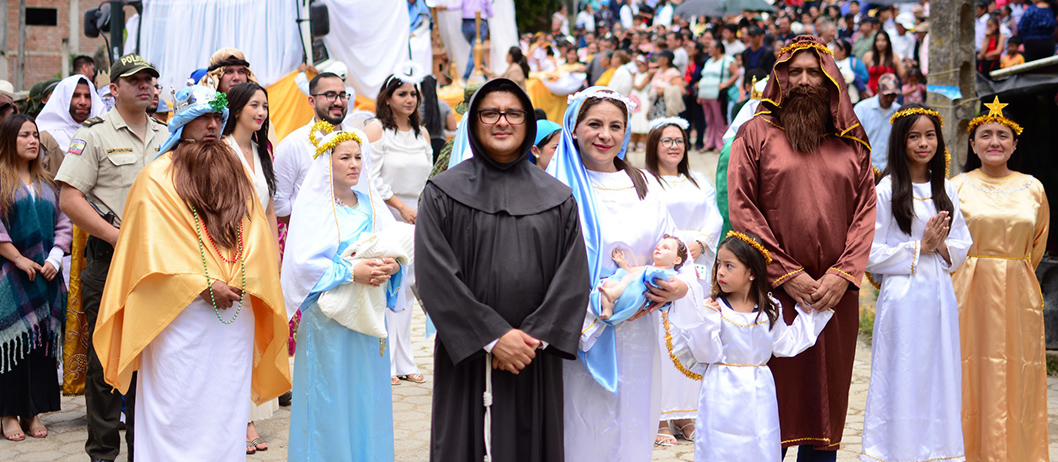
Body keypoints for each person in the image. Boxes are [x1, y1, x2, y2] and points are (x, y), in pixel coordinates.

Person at [92, 85, 291, 461]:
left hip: (234, 311)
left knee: (225, 405)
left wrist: (238, 278)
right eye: (203, 117)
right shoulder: (155, 180)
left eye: (218, 118)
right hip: (176, 317)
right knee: (176, 405)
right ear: (182, 123)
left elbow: (255, 236)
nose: (213, 125)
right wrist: (201, 285)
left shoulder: (238, 173)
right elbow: (148, 255)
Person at [416, 78, 590, 461]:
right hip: (469, 355)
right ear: (474, 123)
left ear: (527, 123)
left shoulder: (557, 197)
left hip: (533, 357)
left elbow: (573, 277)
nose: (502, 122)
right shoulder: (443, 192)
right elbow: (434, 275)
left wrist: (532, 338)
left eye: (513, 113)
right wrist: (493, 337)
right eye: (490, 113)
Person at [727, 36, 877, 461]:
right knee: (773, 400)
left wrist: (843, 274)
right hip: (774, 292)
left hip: (834, 296)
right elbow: (743, 207)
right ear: (781, 77)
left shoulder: (852, 141)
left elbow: (866, 213)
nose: (806, 81)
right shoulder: (755, 133)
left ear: (830, 78)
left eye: (815, 72)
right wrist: (785, 274)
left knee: (825, 402)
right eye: (797, 72)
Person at [549, 87, 697, 461]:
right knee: (582, 423)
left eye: (616, 125)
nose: (605, 135)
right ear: (574, 126)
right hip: (581, 328)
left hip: (638, 331)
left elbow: (675, 248)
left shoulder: (644, 186)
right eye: (594, 124)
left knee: (634, 421)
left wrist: (676, 287)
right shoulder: (557, 188)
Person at [55, 54, 166, 462]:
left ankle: (145, 451)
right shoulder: (95, 135)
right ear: (113, 89)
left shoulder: (165, 135)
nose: (145, 86)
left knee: (149, 363)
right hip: (109, 262)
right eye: (134, 80)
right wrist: (117, 237)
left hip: (155, 265)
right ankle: (103, 453)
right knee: (107, 364)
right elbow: (70, 197)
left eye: (150, 80)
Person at [283, 122, 403, 461]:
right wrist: (352, 271)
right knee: (329, 397)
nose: (354, 164)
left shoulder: (372, 204)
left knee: (366, 396)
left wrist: (392, 267)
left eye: (358, 157)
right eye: (344, 158)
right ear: (327, 162)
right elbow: (301, 265)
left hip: (368, 319)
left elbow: (396, 247)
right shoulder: (315, 208)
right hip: (328, 321)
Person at [860, 105, 971, 462]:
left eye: (930, 135)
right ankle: (897, 450)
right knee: (902, 370)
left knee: (939, 370)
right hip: (903, 296)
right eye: (914, 136)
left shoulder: (946, 190)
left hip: (938, 293)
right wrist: (917, 248)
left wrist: (939, 247)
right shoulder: (887, 190)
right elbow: (869, 252)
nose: (923, 144)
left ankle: (937, 450)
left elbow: (961, 245)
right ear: (900, 141)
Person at [668, 232, 834, 462]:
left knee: (760, 442)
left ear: (752, 273)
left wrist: (811, 315)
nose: (721, 272)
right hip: (722, 391)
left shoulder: (769, 310)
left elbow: (786, 344)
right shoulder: (715, 309)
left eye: (729, 265)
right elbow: (706, 352)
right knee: (720, 446)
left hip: (760, 391)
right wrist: (705, 320)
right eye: (718, 265)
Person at [951, 97, 1051, 462]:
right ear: (973, 145)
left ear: (1014, 143)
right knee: (968, 372)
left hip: (1017, 291)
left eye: (1003, 135)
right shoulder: (957, 186)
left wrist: (1011, 269)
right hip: (967, 291)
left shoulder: (1033, 188)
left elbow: (1037, 243)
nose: (995, 141)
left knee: (1017, 375)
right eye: (986, 135)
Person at [642, 116, 723, 445]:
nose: (674, 146)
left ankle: (688, 414)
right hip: (665, 263)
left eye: (679, 140)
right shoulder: (645, 181)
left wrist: (701, 243)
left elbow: (714, 215)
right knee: (664, 339)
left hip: (697, 265)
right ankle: (661, 418)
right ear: (654, 145)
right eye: (667, 141)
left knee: (691, 334)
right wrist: (675, 247)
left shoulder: (698, 180)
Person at [0, 115, 72, 441]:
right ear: (9, 140)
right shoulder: (1, 181)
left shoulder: (48, 184)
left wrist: (56, 256)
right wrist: (17, 258)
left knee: (38, 346)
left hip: (45, 278)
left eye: (35, 136)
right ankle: (8, 414)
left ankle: (33, 412)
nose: (33, 141)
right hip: (9, 277)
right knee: (10, 345)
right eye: (25, 135)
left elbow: (63, 225)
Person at [219, 81, 279, 455]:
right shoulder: (221, 151)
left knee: (252, 338)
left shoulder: (261, 150)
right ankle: (238, 419)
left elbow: (270, 207)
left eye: (265, 106)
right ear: (237, 108)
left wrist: (273, 256)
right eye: (254, 105)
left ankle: (249, 412)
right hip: (228, 254)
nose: (261, 112)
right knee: (231, 340)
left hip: (260, 258)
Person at [364, 63, 431, 386]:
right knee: (390, 287)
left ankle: (405, 359)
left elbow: (429, 177)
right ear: (387, 98)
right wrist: (400, 207)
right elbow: (371, 178)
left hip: (419, 216)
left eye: (413, 94)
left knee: (409, 289)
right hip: (389, 214)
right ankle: (385, 361)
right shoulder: (377, 129)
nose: (409, 99)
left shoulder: (422, 132)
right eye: (402, 93)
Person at [273, 72, 349, 219]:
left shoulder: (359, 139)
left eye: (343, 95)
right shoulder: (293, 145)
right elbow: (280, 206)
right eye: (330, 95)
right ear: (312, 101)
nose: (338, 102)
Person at [598, 236, 685, 320]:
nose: (658, 248)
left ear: (677, 260)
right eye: (657, 246)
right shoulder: (648, 268)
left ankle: (614, 293)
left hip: (640, 297)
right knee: (608, 283)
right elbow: (630, 270)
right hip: (628, 290)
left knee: (629, 276)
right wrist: (622, 262)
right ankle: (608, 309)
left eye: (665, 248)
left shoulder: (671, 277)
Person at [36, 75, 106, 175]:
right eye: (76, 95)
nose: (83, 102)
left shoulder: (102, 129)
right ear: (64, 98)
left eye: (87, 96)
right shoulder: (45, 134)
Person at [854, 73, 901, 172]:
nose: (889, 99)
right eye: (886, 95)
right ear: (878, 90)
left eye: (892, 95)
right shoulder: (862, 109)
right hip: (866, 167)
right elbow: (855, 139)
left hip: (890, 169)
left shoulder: (898, 111)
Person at [698, 42, 738, 152]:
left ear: (719, 48)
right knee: (709, 120)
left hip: (718, 95)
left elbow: (736, 74)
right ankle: (709, 143)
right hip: (705, 95)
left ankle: (720, 144)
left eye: (711, 47)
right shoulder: (709, 61)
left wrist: (725, 84)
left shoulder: (727, 60)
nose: (709, 50)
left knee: (719, 120)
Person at [863, 31, 906, 97]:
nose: (880, 43)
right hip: (870, 93)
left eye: (883, 40)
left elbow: (903, 76)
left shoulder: (894, 57)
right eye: (877, 40)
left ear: (888, 42)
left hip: (888, 94)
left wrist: (908, 68)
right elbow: (862, 76)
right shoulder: (868, 56)